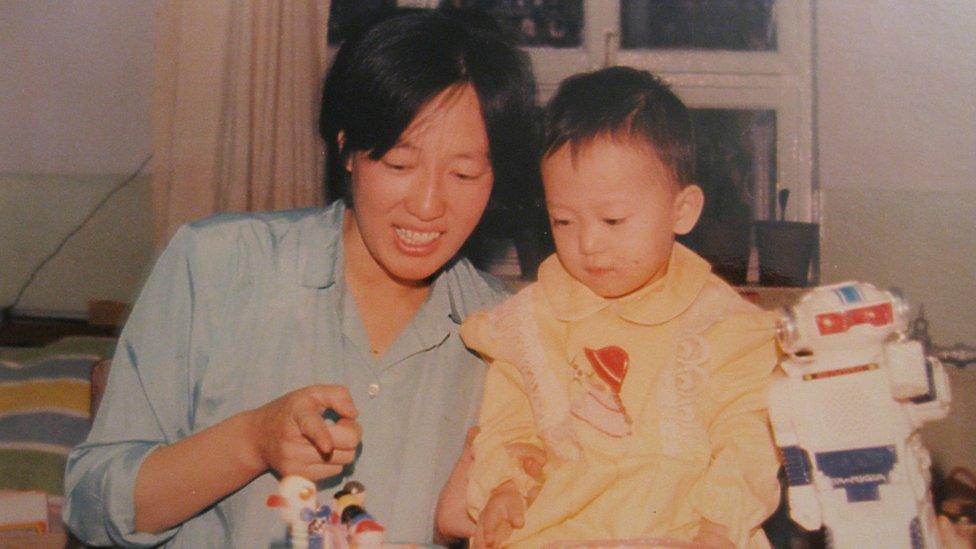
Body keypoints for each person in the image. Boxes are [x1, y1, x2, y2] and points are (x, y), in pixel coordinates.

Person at [63, 8, 537, 547]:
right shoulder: (217, 265)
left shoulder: (511, 336)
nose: (428, 205)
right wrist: (250, 441)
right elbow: (89, 503)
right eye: (400, 165)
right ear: (346, 148)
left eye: (464, 173)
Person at [458, 66, 781, 548]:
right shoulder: (533, 320)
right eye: (563, 221)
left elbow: (748, 436)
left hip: (687, 534)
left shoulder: (722, 324)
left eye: (612, 219)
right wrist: (505, 486)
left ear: (682, 211)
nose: (588, 244)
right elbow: (507, 424)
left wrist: (719, 526)